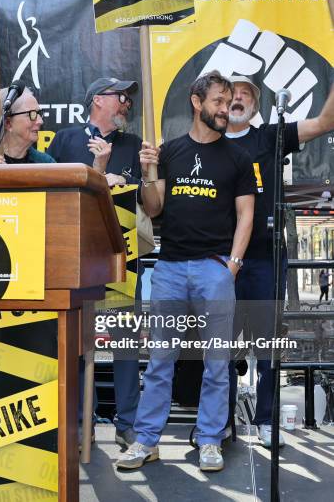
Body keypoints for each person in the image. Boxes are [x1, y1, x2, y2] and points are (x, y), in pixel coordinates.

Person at [117, 71, 256, 473]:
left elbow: (246, 215)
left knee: (217, 361)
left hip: (215, 269)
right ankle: (146, 441)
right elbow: (154, 207)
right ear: (197, 102)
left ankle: (210, 439)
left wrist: (232, 265)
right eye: (217, 102)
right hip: (171, 269)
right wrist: (147, 172)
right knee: (161, 359)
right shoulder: (170, 152)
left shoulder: (238, 158)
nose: (224, 110)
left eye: (227, 103)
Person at [226, 77, 334, 447]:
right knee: (220, 344)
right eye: (232, 94)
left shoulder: (269, 136)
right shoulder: (209, 142)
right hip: (220, 260)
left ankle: (267, 421)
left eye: (247, 95)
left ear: (256, 107)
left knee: (269, 342)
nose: (238, 99)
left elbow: (323, 123)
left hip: (266, 256)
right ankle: (220, 422)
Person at [48, 77, 142, 449]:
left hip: (121, 257)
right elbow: (50, 194)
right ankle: (79, 422)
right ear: (97, 100)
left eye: (129, 100)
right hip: (73, 258)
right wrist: (98, 174)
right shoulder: (66, 140)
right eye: (121, 97)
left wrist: (134, 179)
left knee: (124, 344)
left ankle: (128, 423)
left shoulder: (134, 145)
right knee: (75, 344)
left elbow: (147, 202)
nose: (126, 105)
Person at [0, 87, 54, 164]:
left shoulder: (45, 164)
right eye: (32, 114)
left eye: (39, 113)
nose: (40, 121)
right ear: (8, 123)